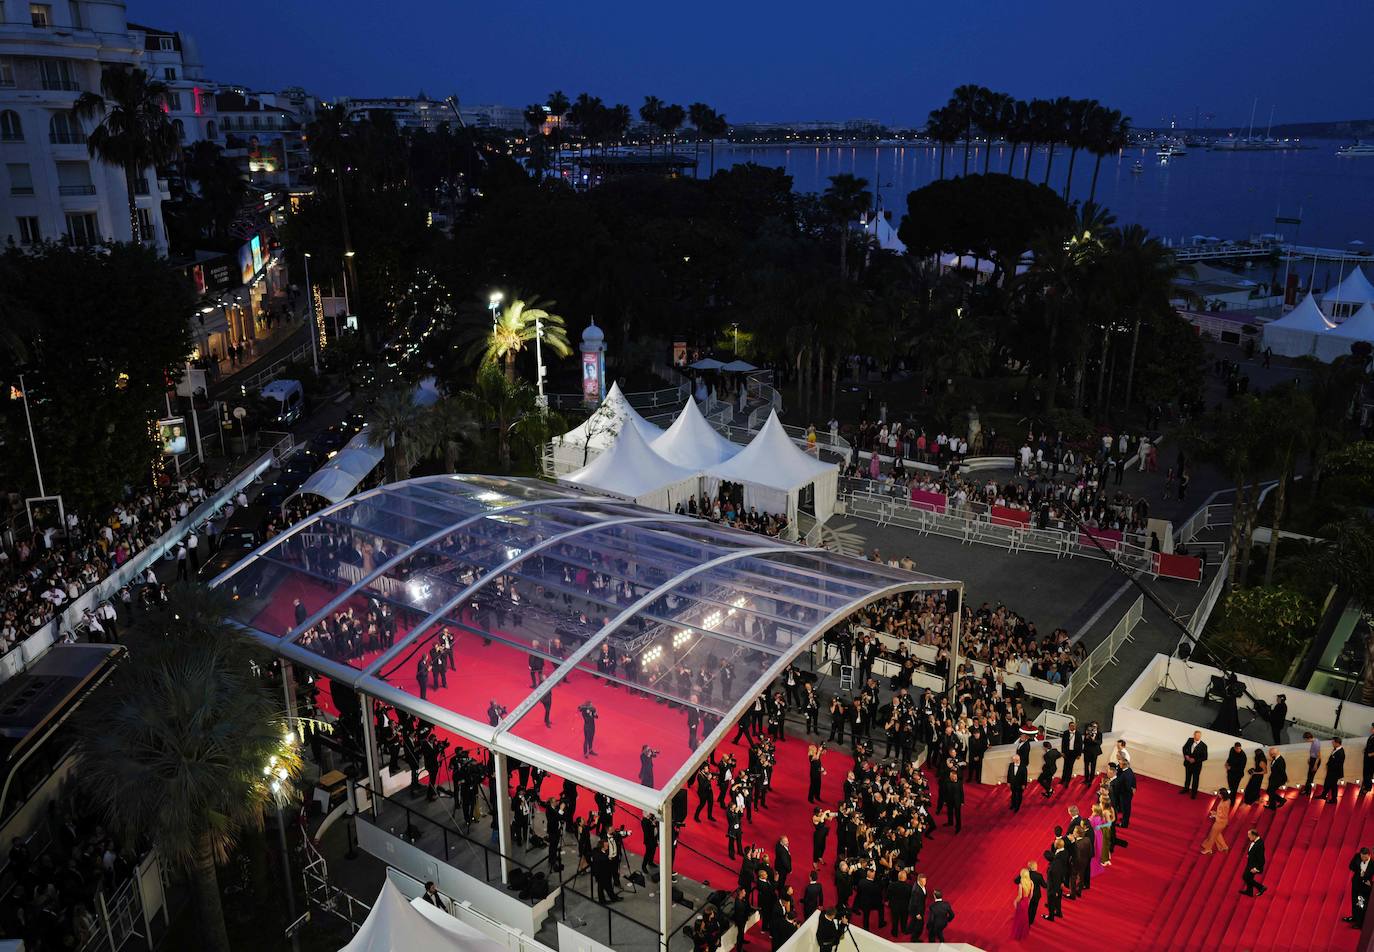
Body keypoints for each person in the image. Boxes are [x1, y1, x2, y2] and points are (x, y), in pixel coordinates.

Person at [1346, 847, 1373, 926]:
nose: (1363, 858)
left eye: (1365, 857)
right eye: (1362, 856)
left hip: (1364, 887)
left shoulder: (1373, 863)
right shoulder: (1357, 856)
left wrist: (1371, 882)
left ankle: (1360, 923)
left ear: (1369, 855)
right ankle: (1354, 917)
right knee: (1354, 901)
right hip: (1356, 884)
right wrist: (1360, 871)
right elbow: (1351, 866)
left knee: (1361, 904)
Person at [1201, 789, 1231, 855]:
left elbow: (1223, 815)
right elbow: (1222, 812)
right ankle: (1224, 847)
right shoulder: (1227, 800)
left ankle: (1208, 849)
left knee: (1213, 835)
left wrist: (1215, 815)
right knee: (1217, 834)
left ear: (1223, 795)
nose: (1218, 794)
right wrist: (1215, 813)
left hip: (1220, 822)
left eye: (1219, 794)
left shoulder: (1225, 804)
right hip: (1222, 821)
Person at [1181, 730, 1208, 798]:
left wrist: (1195, 760)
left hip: (1197, 766)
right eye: (1196, 735)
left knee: (1195, 780)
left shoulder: (1204, 746)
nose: (1198, 737)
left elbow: (1205, 757)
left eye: (1199, 736)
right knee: (1187, 778)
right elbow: (1184, 748)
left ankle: (1193, 793)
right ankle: (1186, 789)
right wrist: (1186, 755)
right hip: (1188, 764)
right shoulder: (1190, 740)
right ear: (1194, 735)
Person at [1241, 829, 1267, 897]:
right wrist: (1249, 854)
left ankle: (1261, 887)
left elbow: (1261, 858)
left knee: (1246, 877)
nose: (1248, 836)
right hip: (1250, 863)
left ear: (1254, 835)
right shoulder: (1255, 841)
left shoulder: (1260, 844)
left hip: (1254, 865)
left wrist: (1256, 868)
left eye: (1249, 835)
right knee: (1248, 878)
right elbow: (1253, 851)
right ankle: (1249, 891)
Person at [1322, 738, 1346, 803]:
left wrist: (1329, 767)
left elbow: (1338, 764)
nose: (1332, 744)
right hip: (1331, 771)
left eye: (1333, 743)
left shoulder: (1341, 753)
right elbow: (1331, 759)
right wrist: (1327, 765)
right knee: (1327, 783)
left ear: (1337, 743)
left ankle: (1334, 799)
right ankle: (1323, 795)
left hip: (1334, 772)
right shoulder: (1335, 749)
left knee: (1333, 786)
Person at [1011, 868, 1032, 941]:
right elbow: (1031, 894)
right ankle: (1024, 933)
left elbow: (1020, 896)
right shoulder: (1031, 882)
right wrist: (1029, 900)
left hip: (1022, 902)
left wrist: (1015, 901)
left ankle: (1018, 934)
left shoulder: (1021, 885)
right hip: (1026, 901)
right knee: (1025, 918)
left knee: (1019, 918)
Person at [1059, 721, 1082, 785]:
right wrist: (1063, 752)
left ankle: (1067, 781)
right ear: (1069, 726)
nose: (1073, 727)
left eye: (1074, 725)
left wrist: (1079, 754)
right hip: (1067, 752)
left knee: (1070, 767)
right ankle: (1063, 780)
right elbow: (1063, 743)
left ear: (1075, 726)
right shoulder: (1065, 733)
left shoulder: (1078, 734)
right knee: (1065, 766)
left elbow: (1080, 744)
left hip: (1074, 753)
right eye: (1071, 726)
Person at [907, 872, 928, 940]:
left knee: (913, 920)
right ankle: (914, 938)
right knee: (920, 924)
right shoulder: (916, 891)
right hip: (916, 910)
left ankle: (909, 930)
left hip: (918, 908)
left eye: (925, 881)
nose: (924, 883)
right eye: (923, 881)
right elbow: (915, 903)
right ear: (919, 881)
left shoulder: (919, 885)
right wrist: (917, 914)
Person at [1364, 723, 1374, 793]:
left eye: (1373, 728)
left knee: (1369, 773)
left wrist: (1372, 754)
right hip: (1367, 757)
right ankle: (1365, 785)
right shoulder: (1371, 736)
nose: (1371, 729)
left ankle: (1368, 788)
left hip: (1372, 759)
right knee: (1365, 772)